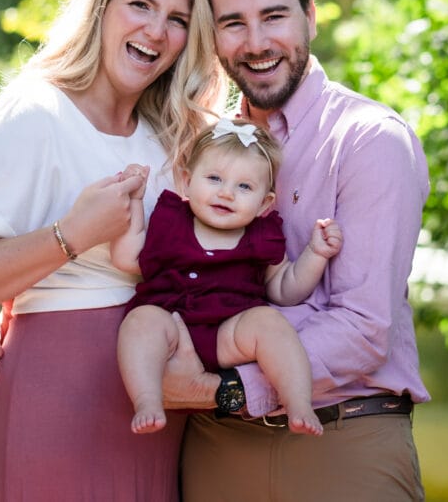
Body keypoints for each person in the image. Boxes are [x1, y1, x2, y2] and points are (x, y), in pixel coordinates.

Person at [0, 0, 431, 501]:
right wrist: (17, 315)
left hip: (340, 439)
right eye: (232, 22)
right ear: (211, 36)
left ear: (310, 16)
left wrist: (222, 389)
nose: (257, 41)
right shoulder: (196, 139)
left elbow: (365, 330)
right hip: (211, 447)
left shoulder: (370, 141)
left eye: (275, 16)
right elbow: (142, 260)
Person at [0, 0, 227, 501]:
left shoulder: (173, 140)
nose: (156, 32)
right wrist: (72, 237)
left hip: (155, 417)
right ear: (102, 8)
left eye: (177, 18)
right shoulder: (34, 114)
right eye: (140, 5)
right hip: (57, 401)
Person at [112, 118, 343, 436]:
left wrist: (315, 255)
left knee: (269, 322)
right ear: (186, 180)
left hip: (228, 336)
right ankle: (148, 399)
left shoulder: (263, 237)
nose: (226, 193)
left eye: (244, 186)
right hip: (170, 327)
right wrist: (135, 201)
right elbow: (126, 258)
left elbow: (284, 290)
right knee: (140, 321)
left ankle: (299, 402)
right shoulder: (170, 219)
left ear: (264, 203)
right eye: (214, 178)